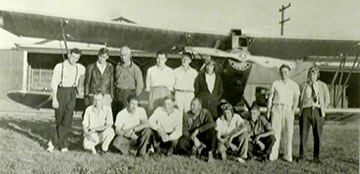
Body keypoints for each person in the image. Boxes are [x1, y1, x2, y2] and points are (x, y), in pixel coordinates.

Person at [47, 48, 86, 152]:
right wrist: (54, 99)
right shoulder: (59, 67)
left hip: (72, 93)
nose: (74, 60)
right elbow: (54, 83)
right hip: (61, 92)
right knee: (60, 119)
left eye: (77, 58)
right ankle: (63, 144)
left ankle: (53, 143)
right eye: (73, 57)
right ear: (69, 54)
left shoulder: (79, 67)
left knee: (68, 120)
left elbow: (89, 72)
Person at [267, 64, 300, 162]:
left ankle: (287, 156)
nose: (284, 74)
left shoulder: (294, 85)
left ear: (289, 72)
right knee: (275, 132)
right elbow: (270, 98)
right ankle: (273, 155)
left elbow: (296, 99)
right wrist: (269, 110)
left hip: (288, 109)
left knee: (288, 133)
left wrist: (293, 111)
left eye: (286, 72)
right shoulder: (275, 83)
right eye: (282, 72)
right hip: (277, 108)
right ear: (279, 72)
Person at [298, 66, 330, 163]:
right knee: (303, 135)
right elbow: (300, 98)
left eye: (315, 74)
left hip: (317, 111)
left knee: (318, 135)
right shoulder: (303, 85)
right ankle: (302, 157)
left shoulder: (322, 86)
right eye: (311, 74)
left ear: (317, 75)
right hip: (306, 110)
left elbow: (327, 99)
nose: (312, 76)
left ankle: (317, 157)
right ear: (308, 75)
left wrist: (322, 107)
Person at [177, 98, 216, 162]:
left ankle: (210, 154)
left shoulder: (205, 112)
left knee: (211, 131)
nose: (192, 107)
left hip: (203, 136)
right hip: (192, 138)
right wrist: (193, 138)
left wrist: (198, 130)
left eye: (194, 105)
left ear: (200, 106)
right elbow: (184, 131)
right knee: (182, 142)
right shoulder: (187, 115)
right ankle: (195, 151)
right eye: (191, 105)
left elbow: (212, 124)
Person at [114, 46, 144, 116]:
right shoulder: (118, 66)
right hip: (118, 94)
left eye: (125, 55)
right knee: (116, 114)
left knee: (126, 114)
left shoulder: (135, 68)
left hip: (128, 94)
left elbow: (140, 85)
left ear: (130, 55)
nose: (123, 57)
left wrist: (133, 97)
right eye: (121, 55)